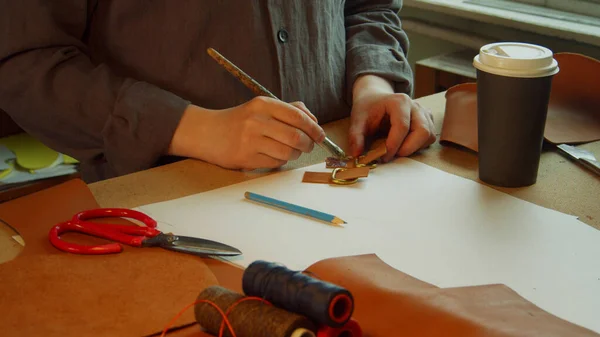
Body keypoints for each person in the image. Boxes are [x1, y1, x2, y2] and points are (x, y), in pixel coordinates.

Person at [0, 0, 436, 183]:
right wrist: (194, 128)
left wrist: (372, 84)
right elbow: (25, 60)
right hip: (162, 202)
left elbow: (369, 5)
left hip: (337, 178)